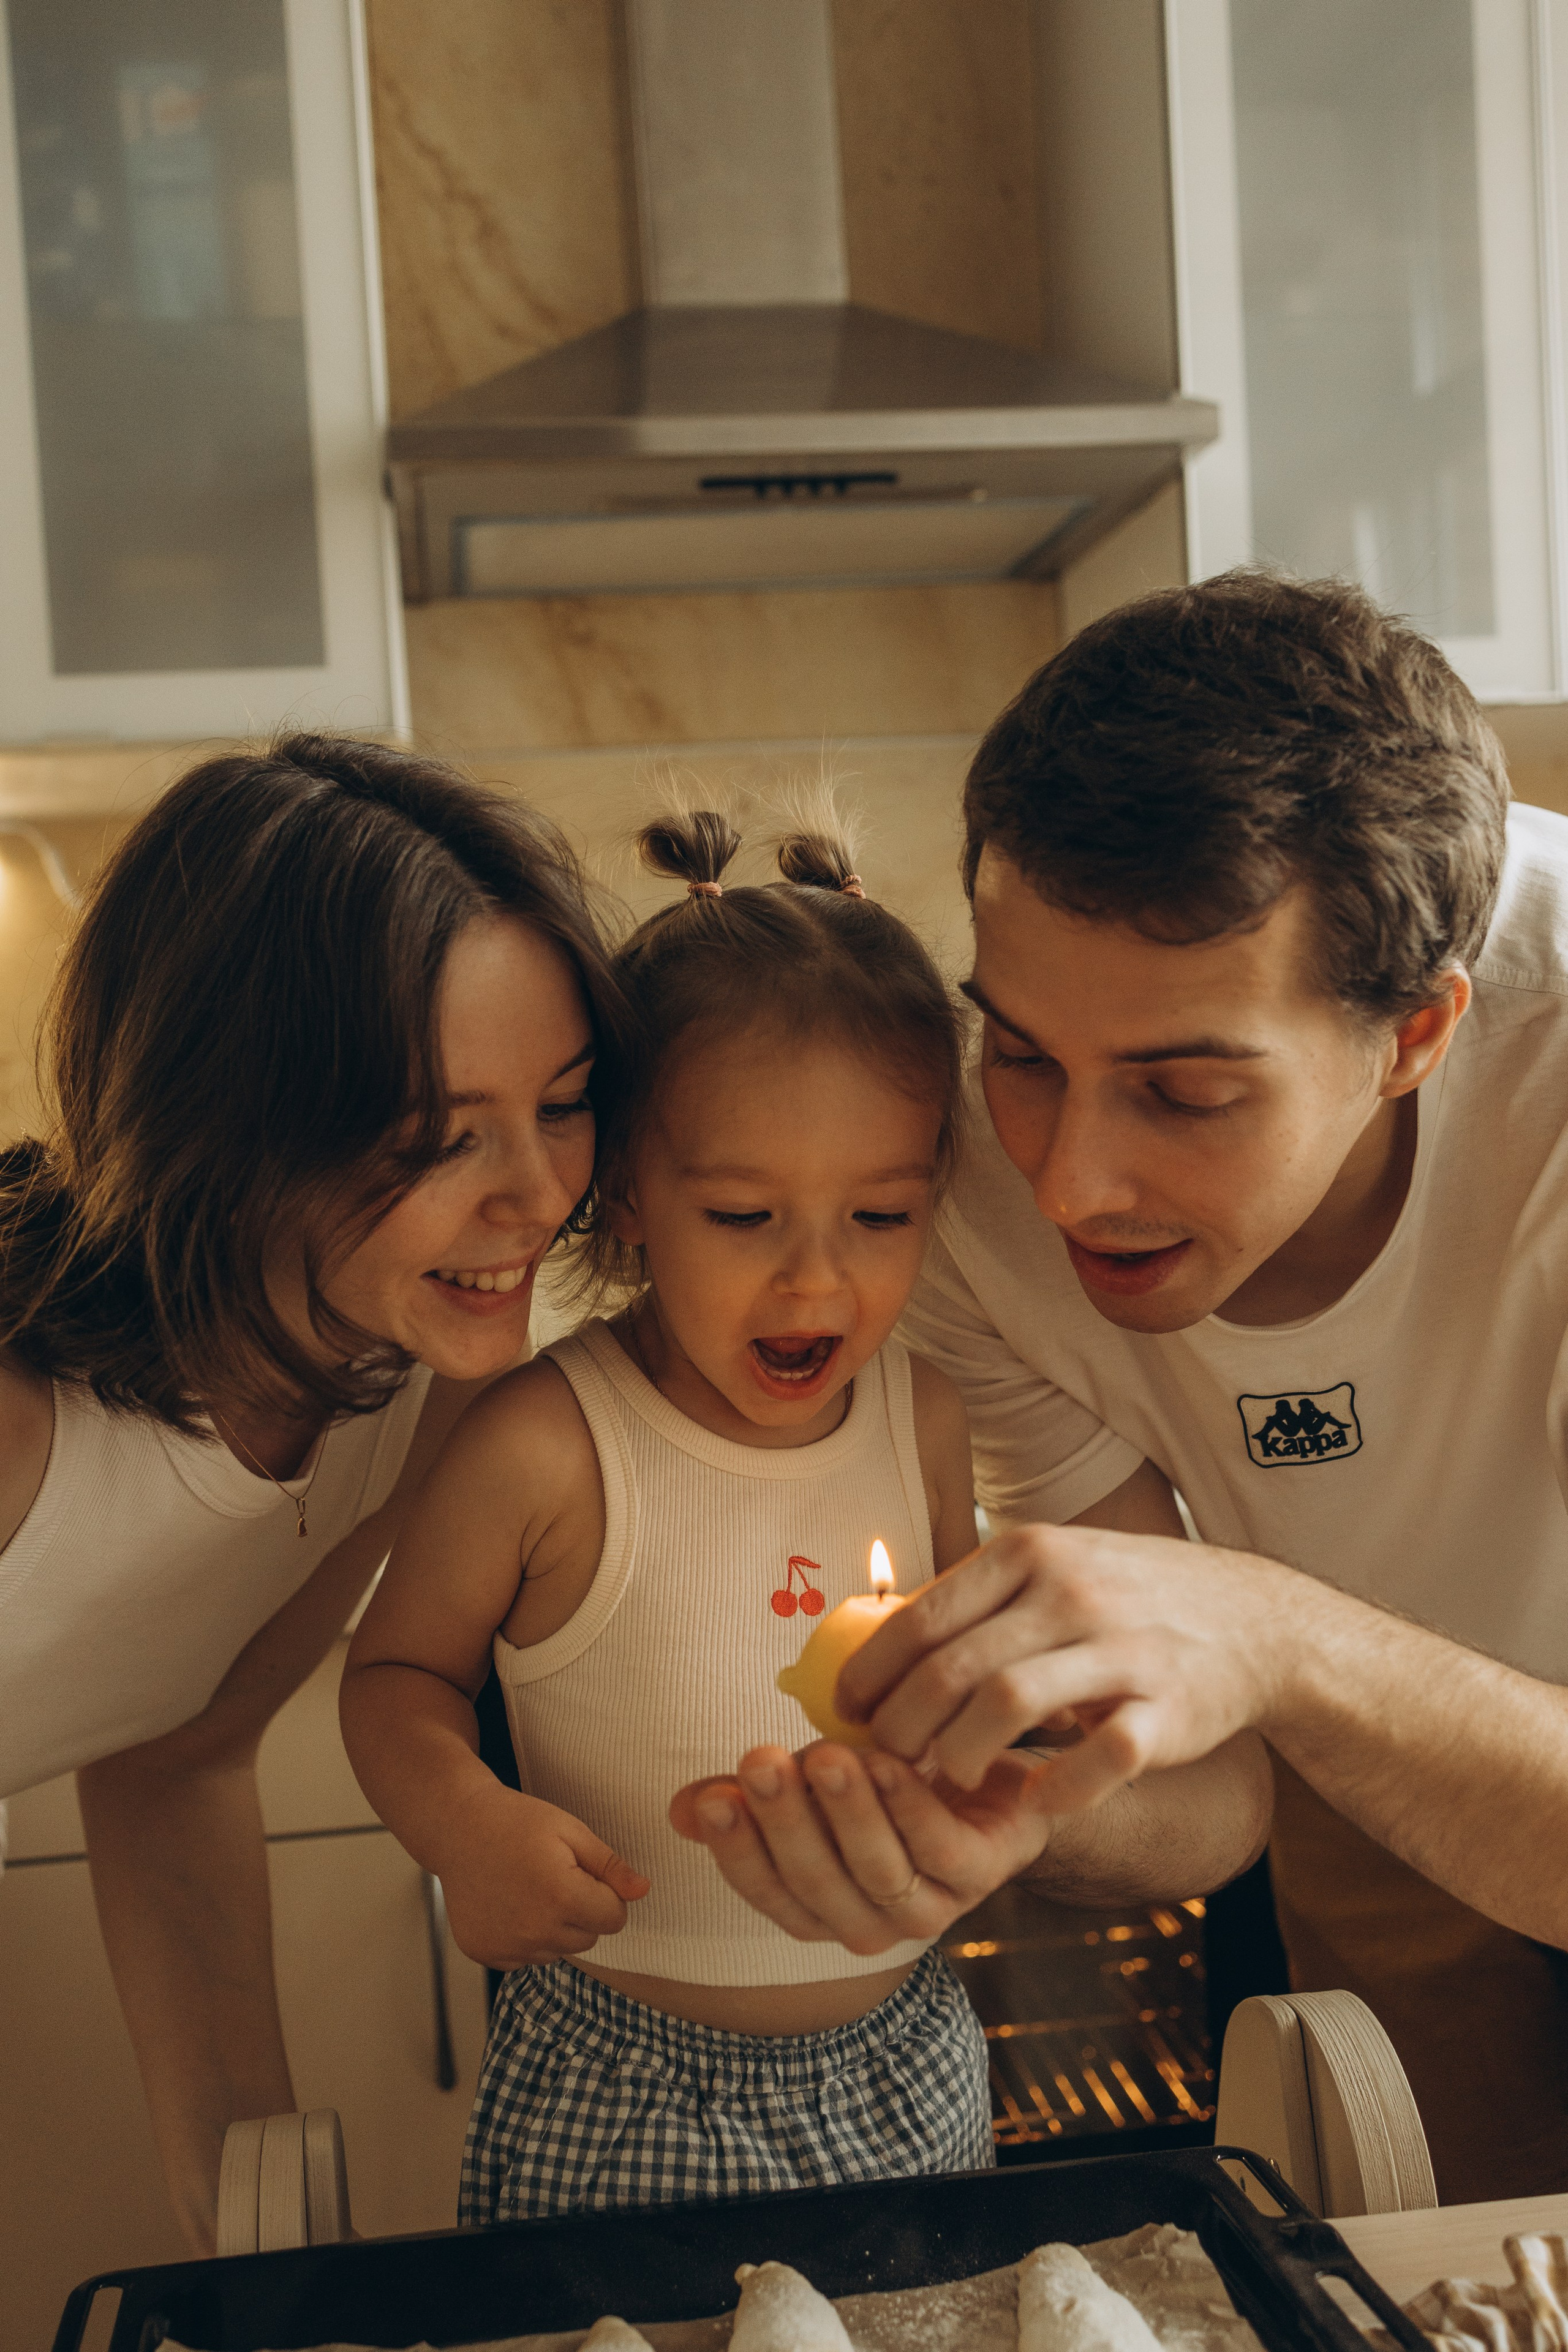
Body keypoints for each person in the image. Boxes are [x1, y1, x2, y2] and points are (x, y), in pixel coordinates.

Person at [702, 571, 1568, 2206]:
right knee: (1444, 2270)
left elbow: (1261, 1660)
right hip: (1358, 1772)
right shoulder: (947, 1187)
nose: (1069, 1183)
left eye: (1182, 1092)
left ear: (1416, 1033)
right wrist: (1027, 1814)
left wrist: (1268, 1630)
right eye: (1024, 1056)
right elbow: (1216, 1793)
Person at [339, 809, 1269, 2221]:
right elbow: (396, 1676)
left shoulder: (928, 1415)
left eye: (880, 1219)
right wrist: (466, 1828)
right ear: (630, 1197)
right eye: (743, 1219)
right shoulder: (543, 1442)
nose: (815, 1288)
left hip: (909, 2058)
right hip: (621, 2082)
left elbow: (949, 1684)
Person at [0, 733, 631, 2252]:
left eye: (564, 1102)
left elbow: (183, 1759)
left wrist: (258, 2259)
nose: (539, 1197)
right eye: (436, 1137)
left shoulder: (420, 1376)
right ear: (233, 1122)